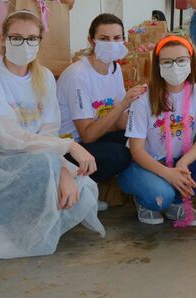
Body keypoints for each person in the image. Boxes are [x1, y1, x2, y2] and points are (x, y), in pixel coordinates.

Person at [0, 11, 103, 258]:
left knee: (81, 184)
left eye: (32, 39)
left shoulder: (44, 76)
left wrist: (63, 171)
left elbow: (48, 131)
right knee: (45, 166)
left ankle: (22, 220)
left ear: (39, 42)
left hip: (27, 159)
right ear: (3, 39)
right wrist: (68, 150)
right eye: (16, 38)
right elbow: (8, 137)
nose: (24, 45)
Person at [119, 35, 196, 226]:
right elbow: (136, 150)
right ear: (157, 65)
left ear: (191, 61)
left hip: (178, 160)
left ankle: (176, 203)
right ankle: (147, 200)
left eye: (181, 60)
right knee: (160, 195)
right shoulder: (143, 97)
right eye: (167, 62)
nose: (175, 67)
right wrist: (167, 174)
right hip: (144, 164)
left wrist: (183, 163)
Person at [57, 14, 145, 204]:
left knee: (139, 139)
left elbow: (120, 120)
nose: (111, 44)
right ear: (91, 40)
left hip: (96, 136)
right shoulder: (78, 76)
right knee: (120, 155)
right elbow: (87, 135)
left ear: (124, 41)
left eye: (116, 38)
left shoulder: (115, 69)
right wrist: (124, 104)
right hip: (71, 147)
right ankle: (79, 187)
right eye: (104, 39)